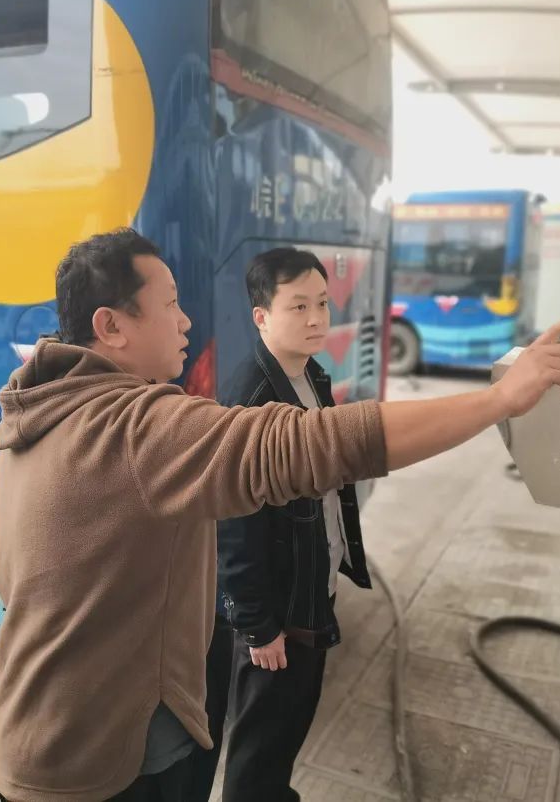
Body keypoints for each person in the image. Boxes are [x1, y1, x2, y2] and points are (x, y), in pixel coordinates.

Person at [0, 228, 560, 802]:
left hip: (44, 733)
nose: (186, 320)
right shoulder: (133, 430)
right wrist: (498, 400)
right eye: (169, 304)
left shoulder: (43, 413)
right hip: (90, 764)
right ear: (111, 326)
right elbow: (315, 446)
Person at [209, 247, 375, 801]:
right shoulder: (250, 397)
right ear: (262, 317)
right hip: (277, 610)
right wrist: (257, 626)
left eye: (322, 303)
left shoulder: (310, 375)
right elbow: (233, 525)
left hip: (310, 589)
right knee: (260, 743)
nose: (316, 318)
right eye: (298, 306)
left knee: (290, 725)